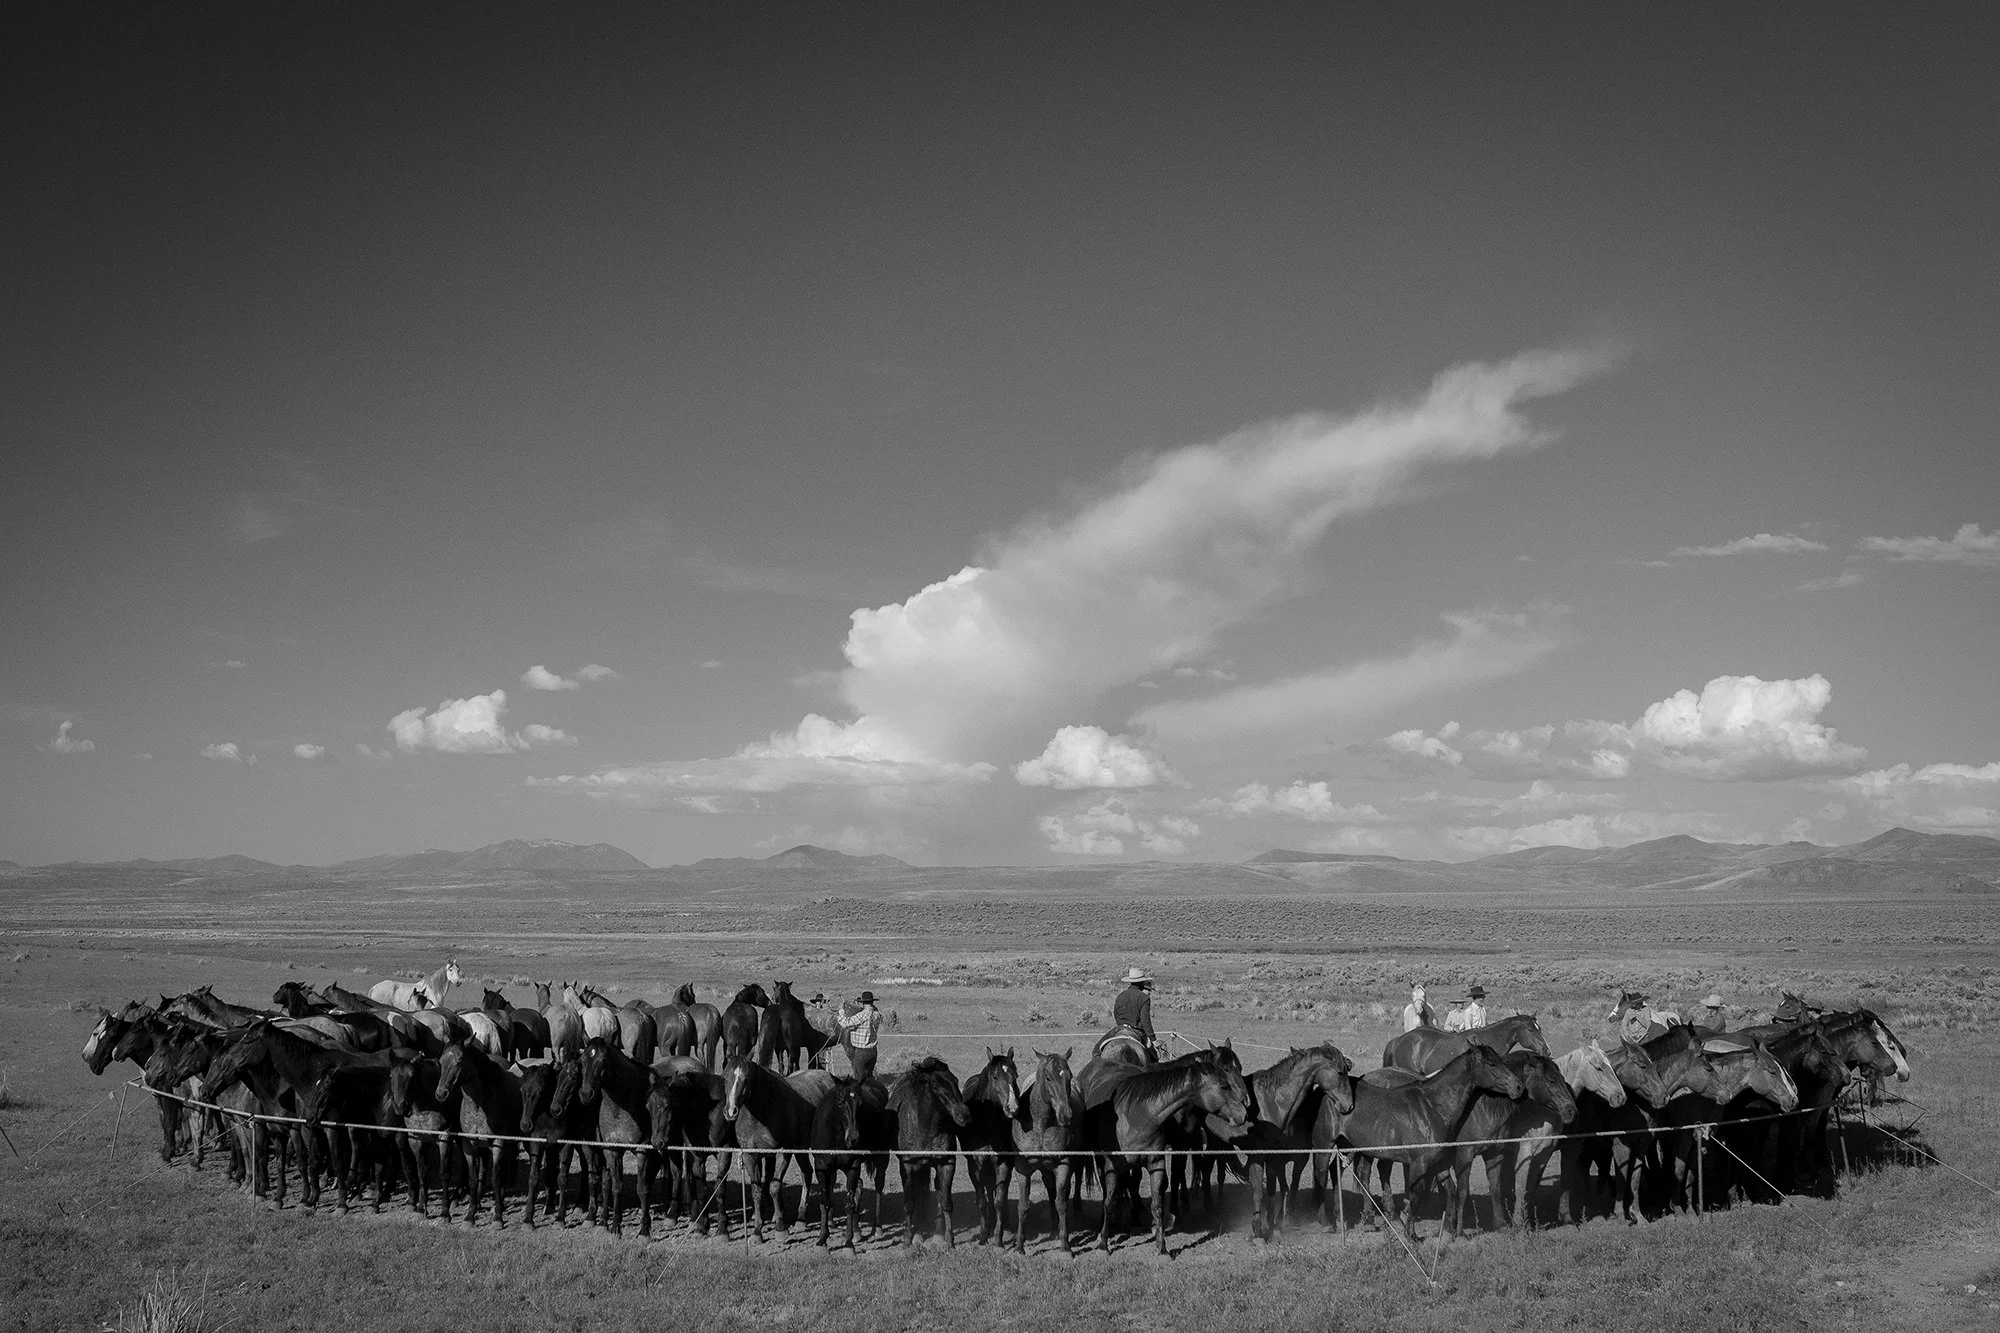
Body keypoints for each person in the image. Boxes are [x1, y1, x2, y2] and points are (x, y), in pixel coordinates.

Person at [837, 990, 882, 1081]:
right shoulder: (876, 1013)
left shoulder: (863, 1015)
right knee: (869, 1078)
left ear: (863, 1002)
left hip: (862, 1052)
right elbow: (873, 1009)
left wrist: (841, 1013)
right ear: (872, 1002)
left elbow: (846, 1023)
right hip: (873, 1051)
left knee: (859, 1079)